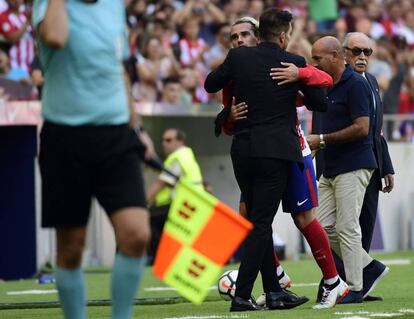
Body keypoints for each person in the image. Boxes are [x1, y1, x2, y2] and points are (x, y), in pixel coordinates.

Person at [33, 1, 155, 319]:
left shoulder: (114, 6)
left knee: (136, 234)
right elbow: (56, 37)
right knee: (72, 249)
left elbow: (119, 70)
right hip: (65, 137)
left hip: (116, 135)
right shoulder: (48, 4)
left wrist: (137, 127)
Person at [221, 16, 349, 310]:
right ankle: (276, 281)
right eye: (233, 37)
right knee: (251, 216)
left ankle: (332, 281)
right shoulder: (236, 71)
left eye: (244, 34)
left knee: (302, 218)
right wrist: (228, 117)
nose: (239, 40)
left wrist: (301, 72)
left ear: (261, 37)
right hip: (257, 152)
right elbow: (229, 122)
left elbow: (311, 95)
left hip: (290, 150)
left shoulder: (284, 64)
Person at [307, 36, 388, 304]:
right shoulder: (326, 84)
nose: (313, 62)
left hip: (354, 164)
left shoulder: (356, 84)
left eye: (317, 58)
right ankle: (369, 266)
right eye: (358, 50)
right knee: (318, 224)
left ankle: (354, 287)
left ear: (335, 55)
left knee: (348, 227)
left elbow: (365, 128)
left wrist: (321, 140)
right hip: (330, 166)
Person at [147, 128, 204, 262]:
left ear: (180, 141)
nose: (164, 143)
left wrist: (145, 204)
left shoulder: (178, 157)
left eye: (168, 140)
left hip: (181, 204)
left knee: (148, 218)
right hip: (192, 204)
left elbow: (161, 183)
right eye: (163, 140)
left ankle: (157, 261)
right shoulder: (187, 155)